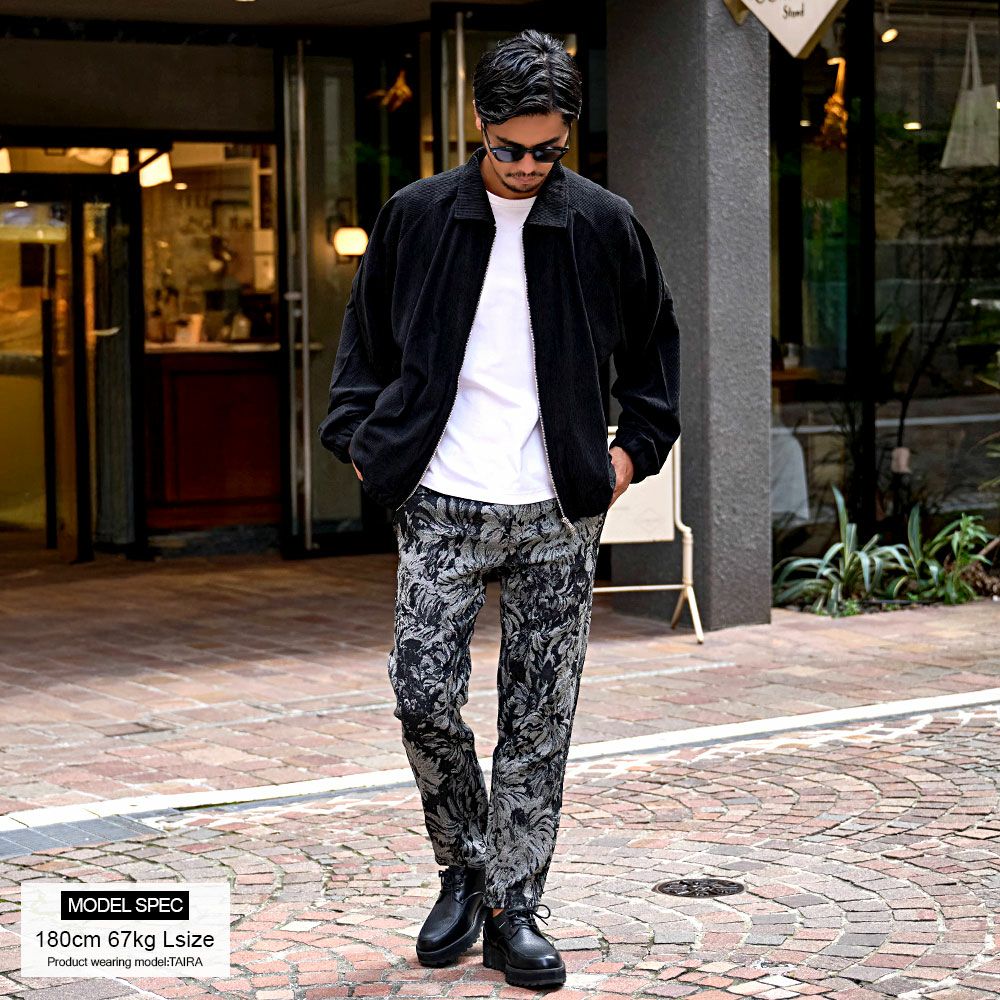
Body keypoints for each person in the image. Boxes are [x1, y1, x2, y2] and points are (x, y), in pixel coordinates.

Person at [318, 28, 680, 991]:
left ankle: (515, 907)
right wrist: (360, 441)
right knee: (422, 696)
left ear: (568, 136)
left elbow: (655, 347)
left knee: (538, 716)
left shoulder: (602, 222)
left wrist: (630, 455)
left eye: (547, 151)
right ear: (478, 122)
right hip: (441, 499)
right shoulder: (418, 215)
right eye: (509, 148)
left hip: (558, 509)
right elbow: (363, 342)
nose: (526, 167)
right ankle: (464, 866)